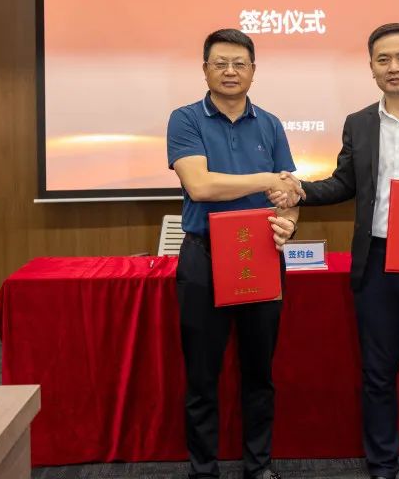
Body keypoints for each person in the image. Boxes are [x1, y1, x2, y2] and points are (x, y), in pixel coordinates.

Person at [271, 23, 399, 479]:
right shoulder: (360, 122)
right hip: (376, 266)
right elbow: (344, 183)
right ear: (371, 67)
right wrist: (300, 190)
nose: (394, 67)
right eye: (383, 59)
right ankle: (382, 464)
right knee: (377, 375)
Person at [167, 28, 303, 479]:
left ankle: (258, 466)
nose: (230, 71)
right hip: (204, 257)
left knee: (259, 373)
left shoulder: (271, 124)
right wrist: (266, 180)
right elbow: (200, 186)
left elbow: (288, 195)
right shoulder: (185, 119)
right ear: (205, 69)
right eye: (220, 63)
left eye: (239, 63)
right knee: (202, 375)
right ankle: (203, 469)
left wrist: (288, 222)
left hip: (261, 254)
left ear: (253, 71)